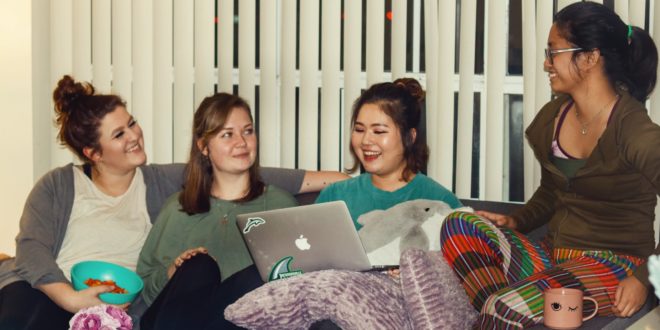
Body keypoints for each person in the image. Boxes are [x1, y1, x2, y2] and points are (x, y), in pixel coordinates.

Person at [0, 76, 346, 330]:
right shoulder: (58, 185)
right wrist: (69, 297)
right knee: (21, 312)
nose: (134, 135)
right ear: (93, 153)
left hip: (114, 310)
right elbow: (30, 250)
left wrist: (350, 179)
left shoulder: (158, 180)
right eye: (119, 135)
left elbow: (243, 167)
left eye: (131, 123)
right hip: (49, 290)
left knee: (209, 270)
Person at [440, 2, 660, 328]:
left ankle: (505, 310)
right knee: (458, 224)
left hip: (615, 265)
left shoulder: (635, 131)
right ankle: (506, 311)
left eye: (553, 52)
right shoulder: (553, 118)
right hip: (551, 257)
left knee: (503, 306)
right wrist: (517, 221)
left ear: (589, 57)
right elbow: (551, 192)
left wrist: (644, 278)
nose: (546, 64)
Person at [136, 92, 299, 329]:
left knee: (259, 274)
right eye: (227, 134)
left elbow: (298, 283)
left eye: (248, 131)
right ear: (203, 146)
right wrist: (173, 271)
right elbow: (144, 287)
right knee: (199, 265)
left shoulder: (280, 205)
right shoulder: (178, 207)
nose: (242, 142)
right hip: (173, 321)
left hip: (243, 320)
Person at [316, 78, 461, 230]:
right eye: (359, 129)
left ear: (410, 137)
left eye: (379, 131)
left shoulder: (440, 201)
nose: (366, 140)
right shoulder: (334, 196)